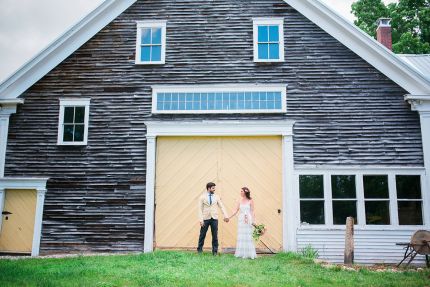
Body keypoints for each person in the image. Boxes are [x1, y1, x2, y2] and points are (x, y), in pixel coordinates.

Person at [197, 182, 229, 255]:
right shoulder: (202, 197)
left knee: (215, 235)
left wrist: (226, 216)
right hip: (205, 218)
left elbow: (221, 206)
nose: (214, 189)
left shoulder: (216, 197)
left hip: (214, 218)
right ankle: (199, 250)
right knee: (202, 235)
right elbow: (200, 209)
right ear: (209, 188)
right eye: (213, 188)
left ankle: (215, 251)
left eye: (214, 188)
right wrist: (201, 220)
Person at [228, 187, 257, 259]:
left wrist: (253, 221)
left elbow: (252, 211)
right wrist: (229, 217)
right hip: (241, 220)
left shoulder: (251, 200)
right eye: (240, 191)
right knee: (241, 235)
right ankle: (241, 253)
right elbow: (235, 210)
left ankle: (249, 253)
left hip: (248, 219)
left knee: (248, 235)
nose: (240, 192)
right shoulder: (240, 201)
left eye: (241, 191)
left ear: (245, 192)